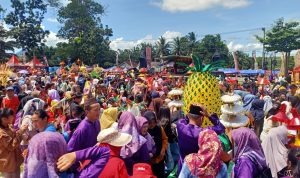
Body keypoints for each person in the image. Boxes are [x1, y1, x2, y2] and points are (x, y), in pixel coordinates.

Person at [176, 104, 225, 174]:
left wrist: (192, 109)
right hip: (195, 171)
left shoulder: (180, 125)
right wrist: (208, 115)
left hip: (182, 168)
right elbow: (221, 128)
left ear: (189, 115)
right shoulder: (204, 132)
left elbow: (186, 118)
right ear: (202, 118)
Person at [0, 108, 28, 178]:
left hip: (15, 160)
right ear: (4, 119)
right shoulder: (1, 133)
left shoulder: (8, 126)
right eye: (11, 116)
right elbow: (12, 146)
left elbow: (16, 138)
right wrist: (20, 132)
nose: (13, 117)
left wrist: (21, 133)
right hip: (7, 163)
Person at [143, 111, 168, 178]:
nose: (152, 125)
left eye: (154, 122)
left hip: (160, 159)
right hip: (149, 162)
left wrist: (163, 148)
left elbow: (165, 139)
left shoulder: (159, 128)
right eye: (150, 123)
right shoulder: (144, 130)